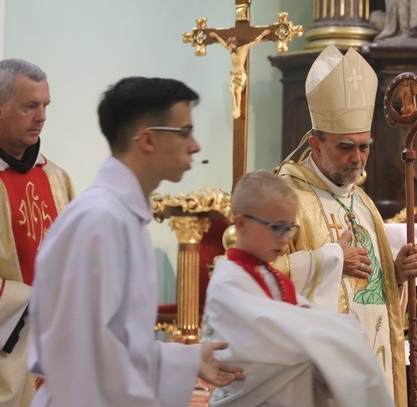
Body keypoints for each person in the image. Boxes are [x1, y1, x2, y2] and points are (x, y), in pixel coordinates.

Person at [28, 77, 243, 406]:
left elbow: (115, 346)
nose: (195, 145)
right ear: (148, 139)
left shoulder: (123, 216)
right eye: (184, 132)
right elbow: (81, 357)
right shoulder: (99, 221)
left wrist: (187, 360)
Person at [274, 44, 417, 407]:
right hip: (317, 371)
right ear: (315, 143)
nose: (357, 159)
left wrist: (397, 274)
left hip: (370, 359)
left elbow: (373, 293)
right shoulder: (283, 197)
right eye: (346, 147)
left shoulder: (363, 203)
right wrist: (330, 259)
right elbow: (261, 278)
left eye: (364, 147)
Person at [202, 170, 393, 407]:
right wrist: (341, 335)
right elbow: (273, 330)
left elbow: (302, 321)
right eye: (276, 228)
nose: (284, 238)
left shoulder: (273, 277)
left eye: (290, 228)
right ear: (241, 224)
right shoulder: (228, 279)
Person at [0, 59, 75, 407]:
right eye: (30, 106)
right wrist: (29, 300)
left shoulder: (57, 178)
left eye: (45, 105)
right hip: (9, 357)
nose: (42, 116)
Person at [209, 30, 270, 119]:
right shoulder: (231, 50)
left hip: (241, 74)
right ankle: (235, 108)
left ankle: (238, 109)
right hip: (234, 74)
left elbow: (255, 42)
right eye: (229, 45)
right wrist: (216, 36)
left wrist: (263, 34)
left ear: (235, 43)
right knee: (231, 90)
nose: (230, 47)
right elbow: (222, 43)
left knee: (237, 91)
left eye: (231, 45)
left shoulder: (244, 48)